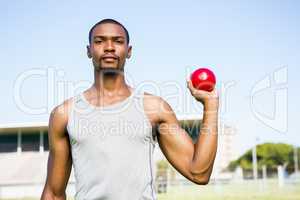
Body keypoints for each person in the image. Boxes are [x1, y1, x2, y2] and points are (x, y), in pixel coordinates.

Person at [41, 18, 219, 200]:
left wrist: (211, 106)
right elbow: (53, 193)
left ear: (129, 51)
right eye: (99, 41)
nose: (109, 47)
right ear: (89, 50)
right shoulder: (64, 114)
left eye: (118, 41)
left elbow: (199, 173)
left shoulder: (154, 108)